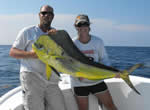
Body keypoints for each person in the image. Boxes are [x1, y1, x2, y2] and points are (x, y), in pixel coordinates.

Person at [9, 5, 67, 110]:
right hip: (32, 77)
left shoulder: (56, 34)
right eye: (44, 13)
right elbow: (12, 52)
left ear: (53, 16)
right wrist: (32, 55)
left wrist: (58, 38)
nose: (46, 15)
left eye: (49, 13)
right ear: (39, 15)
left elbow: (62, 56)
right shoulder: (27, 31)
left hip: (52, 80)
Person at [70, 14, 118, 110]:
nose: (83, 27)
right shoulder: (71, 43)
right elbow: (69, 64)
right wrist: (77, 75)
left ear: (89, 26)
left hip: (97, 81)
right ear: (75, 27)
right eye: (79, 25)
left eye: (85, 24)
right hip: (79, 83)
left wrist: (112, 72)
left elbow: (104, 59)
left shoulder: (98, 41)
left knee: (111, 106)